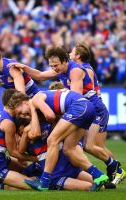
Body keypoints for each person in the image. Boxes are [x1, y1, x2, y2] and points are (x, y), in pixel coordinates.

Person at [7, 46, 121, 184]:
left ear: (64, 61)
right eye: (51, 66)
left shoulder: (75, 71)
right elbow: (41, 76)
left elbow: (76, 97)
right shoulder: (62, 69)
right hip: (84, 109)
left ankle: (113, 168)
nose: (54, 68)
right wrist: (24, 67)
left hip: (93, 109)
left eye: (56, 65)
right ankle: (101, 173)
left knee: (85, 145)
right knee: (70, 148)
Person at [2, 88, 108, 191]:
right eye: (19, 115)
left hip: (80, 107)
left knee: (52, 140)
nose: (23, 115)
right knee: (69, 149)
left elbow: (50, 116)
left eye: (20, 112)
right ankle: (98, 175)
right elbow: (56, 116)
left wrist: (33, 109)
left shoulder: (35, 101)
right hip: (87, 108)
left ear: (24, 102)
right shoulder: (37, 111)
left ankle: (44, 181)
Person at [70, 43, 125, 184]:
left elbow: (87, 90)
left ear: (78, 56)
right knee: (93, 146)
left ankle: (117, 170)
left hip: (95, 109)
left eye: (72, 52)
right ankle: (115, 170)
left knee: (96, 147)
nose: (69, 53)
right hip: (92, 109)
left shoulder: (84, 70)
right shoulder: (82, 69)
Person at [0, 89, 38, 190]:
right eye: (22, 104)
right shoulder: (8, 123)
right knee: (35, 185)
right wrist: (36, 158)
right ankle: (0, 186)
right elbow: (13, 153)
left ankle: (9, 181)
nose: (24, 110)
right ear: (15, 104)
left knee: (25, 170)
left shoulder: (2, 115)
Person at [0, 43, 39, 126]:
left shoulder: (11, 68)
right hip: (18, 101)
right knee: (3, 124)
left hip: (33, 97)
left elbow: (21, 96)